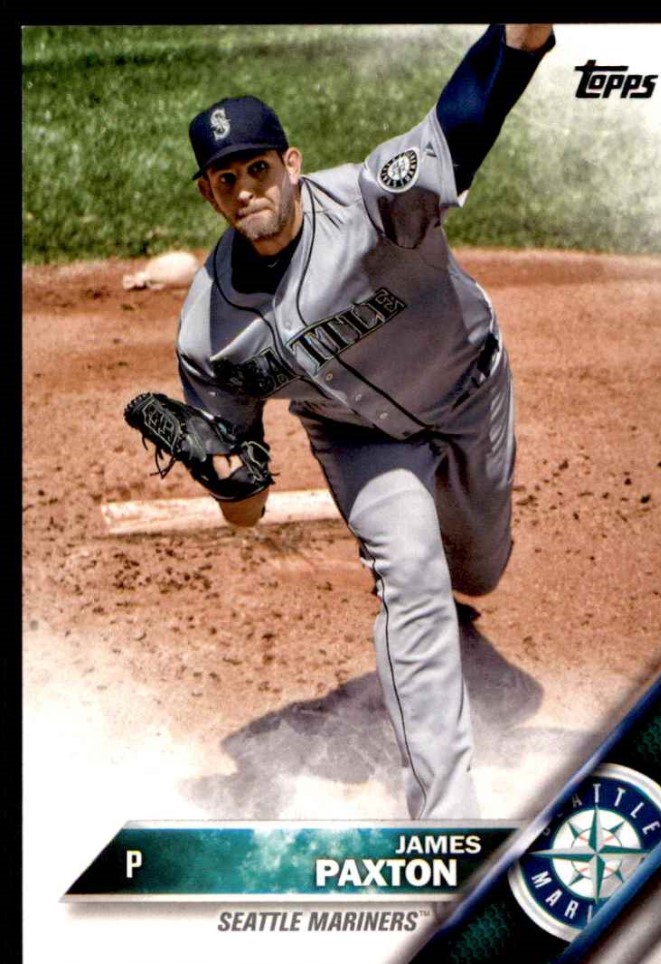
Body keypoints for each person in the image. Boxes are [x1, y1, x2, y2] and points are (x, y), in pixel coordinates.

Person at [176, 24, 555, 818]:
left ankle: (457, 633)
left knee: (475, 570)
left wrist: (517, 42)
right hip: (358, 437)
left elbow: (461, 119)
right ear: (208, 193)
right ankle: (445, 816)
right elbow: (245, 507)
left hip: (469, 388)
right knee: (411, 573)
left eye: (257, 168)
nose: (245, 190)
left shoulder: (373, 198)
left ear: (291, 165)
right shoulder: (210, 331)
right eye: (225, 178)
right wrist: (226, 480)